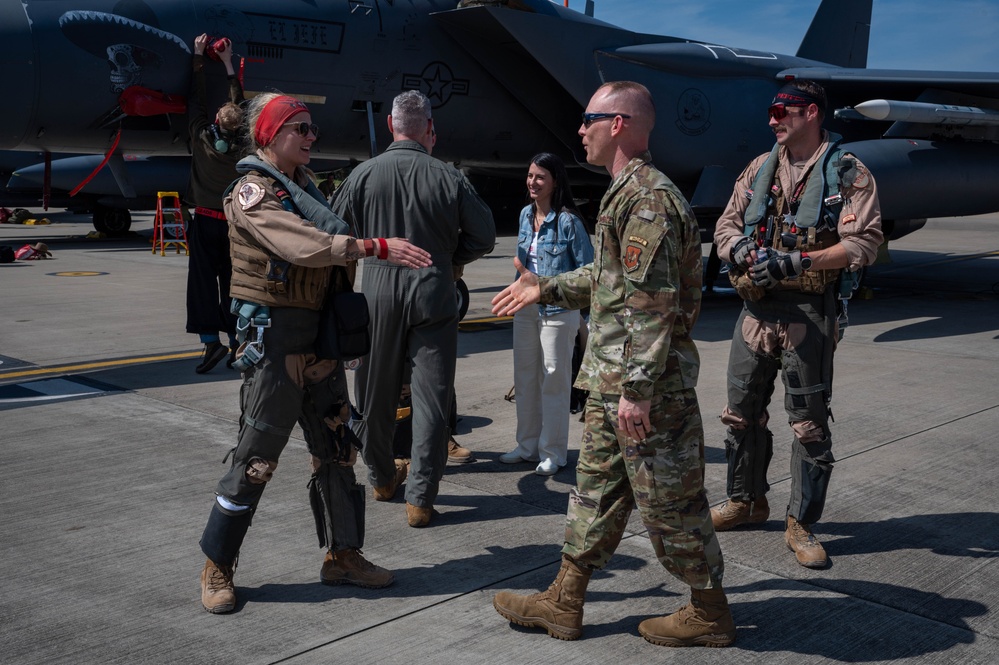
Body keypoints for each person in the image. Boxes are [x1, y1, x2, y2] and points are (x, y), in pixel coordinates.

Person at [490, 81, 734, 648]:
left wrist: (638, 390)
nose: (580, 129)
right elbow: (608, 280)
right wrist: (543, 286)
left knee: (671, 502)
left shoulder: (648, 200)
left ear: (618, 123)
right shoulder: (622, 194)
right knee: (595, 493)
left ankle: (710, 612)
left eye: (587, 119)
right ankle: (564, 600)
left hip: (642, 390)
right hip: (611, 383)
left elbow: (653, 304)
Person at [197, 92, 433, 614]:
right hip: (276, 344)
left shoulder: (309, 191)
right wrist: (373, 247)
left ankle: (343, 556)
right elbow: (301, 245)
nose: (311, 137)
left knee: (336, 449)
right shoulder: (252, 191)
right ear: (270, 135)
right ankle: (218, 563)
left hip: (318, 342)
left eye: (311, 129)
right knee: (255, 459)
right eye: (300, 128)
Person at [711, 80, 883, 569]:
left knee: (808, 424)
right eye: (771, 112)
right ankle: (746, 502)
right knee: (740, 413)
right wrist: (740, 248)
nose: (772, 119)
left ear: (811, 113)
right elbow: (726, 224)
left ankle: (800, 523)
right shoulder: (759, 168)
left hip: (808, 315)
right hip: (756, 311)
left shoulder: (848, 173)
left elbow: (864, 244)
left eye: (780, 111)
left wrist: (799, 262)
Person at [330, 90, 495, 528]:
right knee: (432, 397)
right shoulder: (449, 176)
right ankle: (420, 498)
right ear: (429, 129)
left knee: (375, 392)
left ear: (390, 125)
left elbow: (333, 233)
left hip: (378, 286)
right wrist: (449, 259)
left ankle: (383, 478)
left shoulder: (363, 175)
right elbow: (484, 236)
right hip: (434, 286)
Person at [498, 152, 593, 476]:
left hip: (558, 309)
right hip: (525, 307)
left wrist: (590, 322)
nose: (532, 182)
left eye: (540, 177)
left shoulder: (569, 221)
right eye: (530, 176)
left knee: (554, 380)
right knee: (524, 378)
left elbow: (589, 270)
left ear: (555, 181)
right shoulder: (526, 214)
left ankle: (553, 452)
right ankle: (527, 446)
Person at [185, 34, 243, 373]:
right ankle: (238, 344)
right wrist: (228, 64)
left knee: (202, 285)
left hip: (205, 221)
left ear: (216, 122)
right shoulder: (245, 146)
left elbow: (197, 100)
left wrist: (197, 58)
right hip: (234, 224)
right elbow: (242, 107)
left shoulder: (201, 137)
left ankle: (211, 343)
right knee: (234, 285)